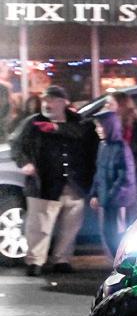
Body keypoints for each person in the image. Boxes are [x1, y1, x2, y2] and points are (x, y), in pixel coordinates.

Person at [9, 85, 99, 275]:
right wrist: (24, 163)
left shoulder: (79, 123)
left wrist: (57, 128)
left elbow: (86, 139)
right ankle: (35, 261)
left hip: (74, 183)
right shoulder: (33, 123)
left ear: (63, 102)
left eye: (52, 100)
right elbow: (16, 144)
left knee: (70, 226)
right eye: (45, 100)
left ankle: (62, 259)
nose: (47, 104)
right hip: (44, 183)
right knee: (39, 226)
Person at [89, 111, 137, 257]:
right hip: (107, 200)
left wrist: (109, 197)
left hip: (118, 201)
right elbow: (99, 172)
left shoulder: (121, 147)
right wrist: (95, 194)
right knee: (107, 234)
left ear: (109, 126)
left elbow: (125, 178)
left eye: (100, 126)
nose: (97, 129)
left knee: (118, 235)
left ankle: (124, 263)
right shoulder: (103, 145)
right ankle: (116, 262)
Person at [104, 91, 137, 224]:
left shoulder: (136, 125)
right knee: (117, 225)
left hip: (136, 182)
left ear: (121, 105)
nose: (106, 106)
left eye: (110, 103)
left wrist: (130, 165)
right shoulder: (106, 126)